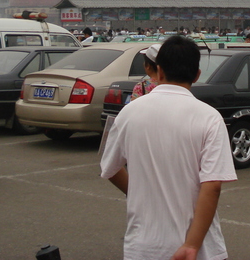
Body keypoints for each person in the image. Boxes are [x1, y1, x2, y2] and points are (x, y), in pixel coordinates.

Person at [100, 35, 237, 260]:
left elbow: (110, 168)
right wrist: (191, 245)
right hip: (200, 250)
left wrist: (138, 193)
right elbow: (212, 186)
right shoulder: (210, 117)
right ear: (197, 75)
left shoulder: (129, 113)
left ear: (159, 71)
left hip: (143, 247)